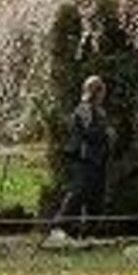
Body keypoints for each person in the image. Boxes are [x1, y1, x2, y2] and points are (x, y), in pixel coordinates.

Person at [49, 74, 114, 238]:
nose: (103, 95)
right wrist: (106, 134)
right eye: (100, 91)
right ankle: (61, 225)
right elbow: (87, 133)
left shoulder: (99, 111)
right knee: (79, 192)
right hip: (85, 158)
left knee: (96, 196)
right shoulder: (84, 108)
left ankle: (90, 231)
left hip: (98, 159)